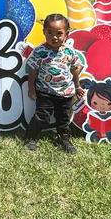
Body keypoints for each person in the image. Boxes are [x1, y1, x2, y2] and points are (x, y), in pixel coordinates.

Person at [24, 13, 84, 153]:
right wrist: (31, 89)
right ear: (44, 32)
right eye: (50, 33)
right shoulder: (39, 51)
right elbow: (32, 70)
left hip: (66, 94)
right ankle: (30, 137)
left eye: (59, 33)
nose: (54, 37)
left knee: (63, 120)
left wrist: (77, 86)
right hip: (45, 92)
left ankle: (63, 139)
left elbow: (76, 68)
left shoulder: (69, 51)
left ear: (66, 34)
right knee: (42, 117)